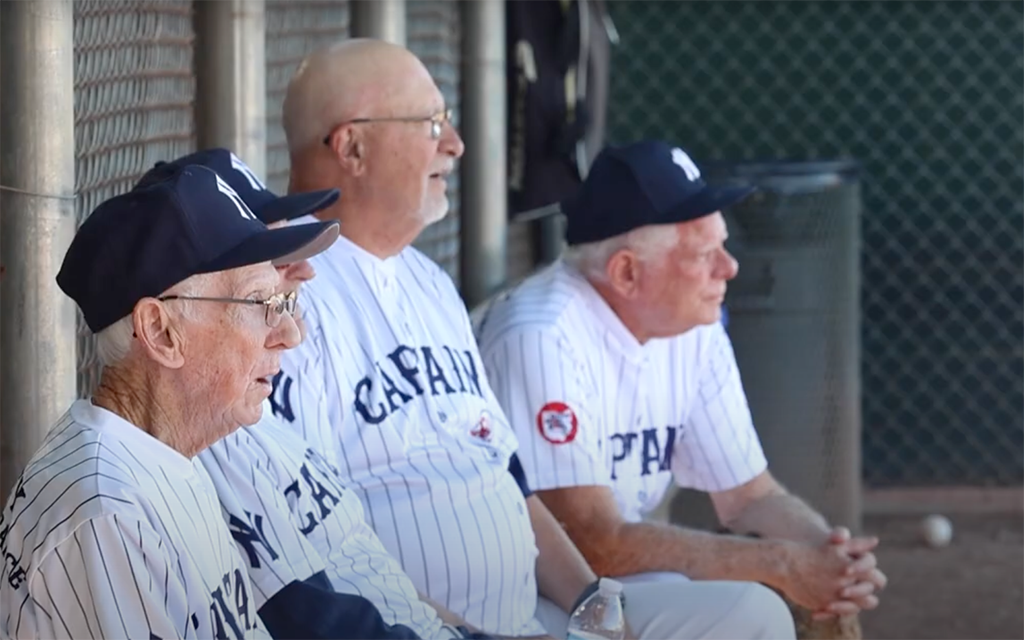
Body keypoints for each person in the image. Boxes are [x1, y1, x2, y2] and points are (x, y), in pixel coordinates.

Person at [273, 38, 796, 640]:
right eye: (430, 123)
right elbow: (314, 543)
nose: (455, 143)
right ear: (352, 146)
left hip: (530, 616)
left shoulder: (427, 281)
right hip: (413, 629)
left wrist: (594, 606)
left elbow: (507, 477)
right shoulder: (286, 288)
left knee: (751, 617)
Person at [473, 139, 888, 629]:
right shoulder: (541, 335)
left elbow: (750, 496)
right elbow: (590, 541)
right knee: (752, 612)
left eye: (724, 246)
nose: (729, 268)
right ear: (626, 272)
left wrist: (827, 555)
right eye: (704, 254)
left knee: (762, 605)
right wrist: (779, 564)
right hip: (515, 590)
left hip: (603, 585)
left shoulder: (692, 327)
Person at [134, 148, 493, 640]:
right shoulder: (205, 430)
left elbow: (384, 588)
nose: (305, 271)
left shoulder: (253, 413)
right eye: (271, 259)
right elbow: (315, 621)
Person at [0, 163, 340, 640]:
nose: (289, 333)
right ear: (161, 333)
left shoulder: (163, 455)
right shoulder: (107, 513)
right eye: (262, 303)